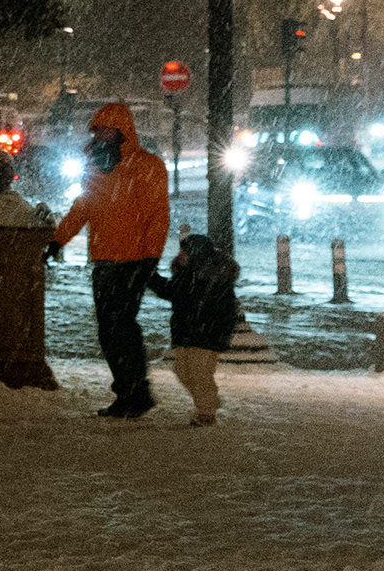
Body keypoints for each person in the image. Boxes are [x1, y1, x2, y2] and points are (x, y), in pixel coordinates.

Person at [47, 100, 170, 420]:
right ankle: (130, 391)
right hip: (104, 260)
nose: (99, 134)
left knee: (122, 328)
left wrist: (150, 256)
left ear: (121, 131)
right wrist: (58, 239)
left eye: (105, 129)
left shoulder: (147, 166)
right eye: (96, 129)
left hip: (132, 261)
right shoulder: (97, 165)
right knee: (109, 330)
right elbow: (83, 208)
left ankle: (135, 392)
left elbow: (158, 216)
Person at [153, 228, 240, 426]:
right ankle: (209, 401)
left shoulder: (207, 278)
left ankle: (206, 412)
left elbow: (174, 292)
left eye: (185, 252)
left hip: (207, 333)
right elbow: (174, 292)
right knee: (182, 370)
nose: (180, 256)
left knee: (199, 373)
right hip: (188, 332)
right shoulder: (188, 274)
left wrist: (151, 277)